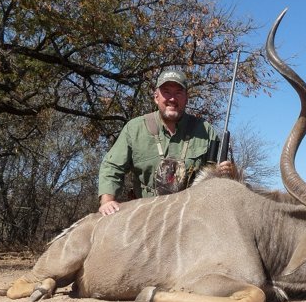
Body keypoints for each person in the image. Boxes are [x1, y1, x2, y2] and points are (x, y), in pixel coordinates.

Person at [98, 68, 235, 215]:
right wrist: (107, 201)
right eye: (167, 92)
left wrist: (226, 172)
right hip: (146, 214)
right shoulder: (135, 128)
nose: (172, 98)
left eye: (178, 93)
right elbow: (112, 166)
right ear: (156, 97)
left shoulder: (205, 130)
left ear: (186, 98)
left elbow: (219, 177)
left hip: (190, 215)